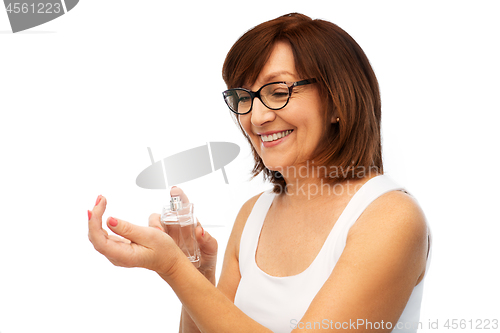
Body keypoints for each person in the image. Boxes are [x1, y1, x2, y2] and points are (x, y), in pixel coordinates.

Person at [88, 13, 431, 333]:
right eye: (245, 97)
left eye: (278, 92)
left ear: (338, 102)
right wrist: (197, 272)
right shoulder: (254, 214)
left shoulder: (392, 218)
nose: (256, 117)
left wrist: (174, 270)